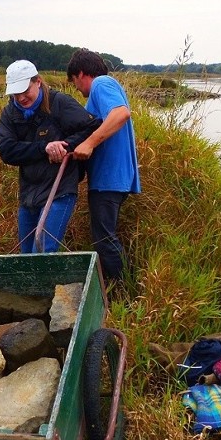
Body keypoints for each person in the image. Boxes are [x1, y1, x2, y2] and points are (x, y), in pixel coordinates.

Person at [0, 60, 100, 253]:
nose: (21, 98)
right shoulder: (10, 114)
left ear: (37, 82)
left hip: (60, 189)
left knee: (42, 251)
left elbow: (92, 127)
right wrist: (44, 148)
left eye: (25, 91)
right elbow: (7, 150)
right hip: (29, 193)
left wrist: (64, 147)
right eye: (15, 93)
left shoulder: (60, 103)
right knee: (26, 255)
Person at [66, 48, 140, 281]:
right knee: (104, 238)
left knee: (104, 240)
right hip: (110, 178)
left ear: (81, 73)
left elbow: (121, 114)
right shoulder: (105, 88)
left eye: (74, 82)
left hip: (109, 179)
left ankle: (124, 292)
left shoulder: (102, 84)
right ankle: (118, 286)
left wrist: (88, 143)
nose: (76, 88)